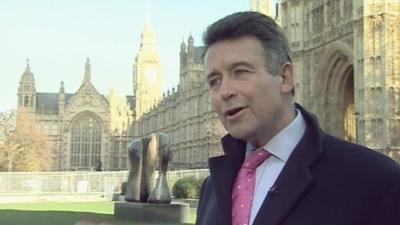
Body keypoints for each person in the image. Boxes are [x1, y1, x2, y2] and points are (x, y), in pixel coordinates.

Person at [196, 11, 400, 225]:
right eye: (214, 81)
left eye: (240, 72)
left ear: (285, 77)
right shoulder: (212, 188)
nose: (224, 91)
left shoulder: (376, 181)